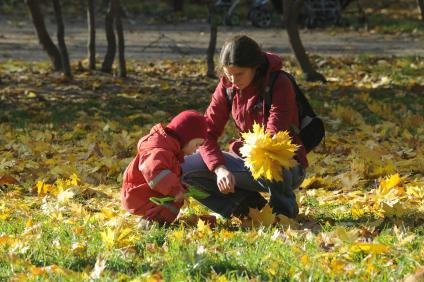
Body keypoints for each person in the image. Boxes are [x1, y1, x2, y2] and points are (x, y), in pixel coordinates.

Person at [182, 35, 307, 219]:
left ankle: (283, 211)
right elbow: (206, 133)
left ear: (255, 67)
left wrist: (260, 151)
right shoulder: (226, 87)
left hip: (287, 164)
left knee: (268, 154)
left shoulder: (279, 82)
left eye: (239, 74)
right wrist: (219, 168)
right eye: (228, 74)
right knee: (183, 168)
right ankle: (248, 208)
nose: (233, 80)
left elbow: (275, 130)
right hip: (245, 160)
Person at [121, 110, 207, 225]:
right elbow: (154, 170)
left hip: (146, 190)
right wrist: (175, 189)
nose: (196, 150)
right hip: (138, 193)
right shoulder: (160, 150)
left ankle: (156, 220)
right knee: (172, 203)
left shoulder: (170, 149)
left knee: (175, 201)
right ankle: (151, 223)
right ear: (185, 138)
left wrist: (182, 188)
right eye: (196, 145)